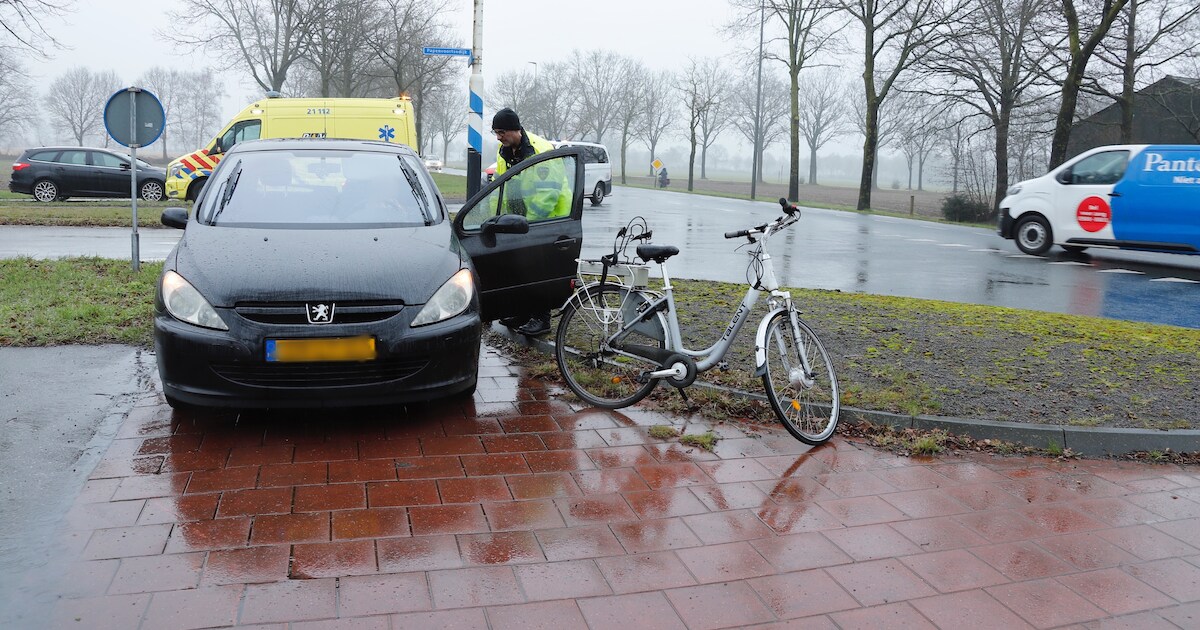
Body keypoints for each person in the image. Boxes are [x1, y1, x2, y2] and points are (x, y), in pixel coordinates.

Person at [491, 107, 562, 337]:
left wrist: (529, 224)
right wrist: (497, 218)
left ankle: (542, 318)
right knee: (519, 270)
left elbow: (548, 194)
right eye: (496, 133)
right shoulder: (504, 152)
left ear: (514, 130)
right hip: (517, 223)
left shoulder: (539, 151)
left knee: (537, 271)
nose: (498, 137)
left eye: (501, 132)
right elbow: (500, 187)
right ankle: (522, 312)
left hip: (542, 220)